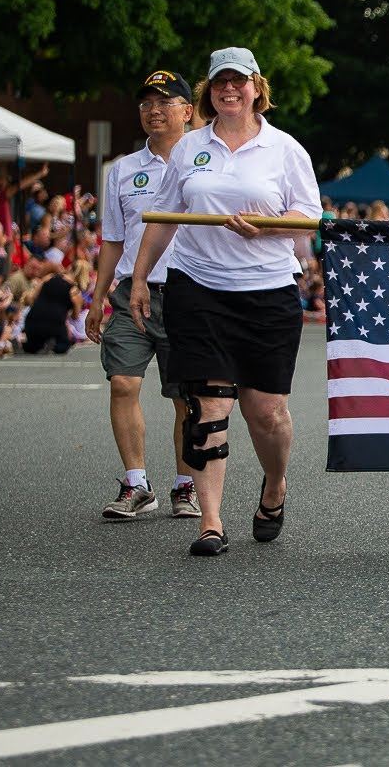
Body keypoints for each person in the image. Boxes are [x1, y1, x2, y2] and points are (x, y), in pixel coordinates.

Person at [130, 47, 322, 557]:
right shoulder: (191, 146)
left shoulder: (285, 150)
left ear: (258, 87)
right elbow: (165, 216)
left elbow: (309, 219)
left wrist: (268, 228)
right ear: (208, 92)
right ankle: (210, 523)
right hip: (199, 289)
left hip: (266, 291)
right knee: (208, 407)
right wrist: (139, 278)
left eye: (239, 82)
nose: (229, 90)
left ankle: (274, 484)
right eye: (220, 83)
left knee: (266, 412)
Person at [87, 70, 199, 521]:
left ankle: (185, 486)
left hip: (189, 293)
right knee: (123, 382)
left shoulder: (204, 163)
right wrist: (96, 298)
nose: (154, 110)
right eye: (146, 103)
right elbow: (112, 238)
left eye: (165, 101)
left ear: (188, 112)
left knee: (187, 397)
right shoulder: (123, 169)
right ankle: (136, 484)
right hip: (132, 292)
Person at [23, 268, 82, 354]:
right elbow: (75, 316)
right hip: (55, 322)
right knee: (63, 346)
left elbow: (32, 298)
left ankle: (32, 344)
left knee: (33, 347)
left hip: (33, 319)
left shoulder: (46, 280)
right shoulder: (74, 290)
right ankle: (56, 345)